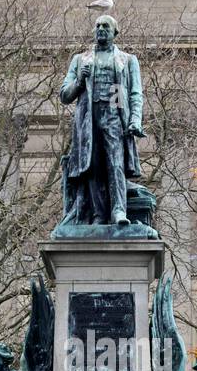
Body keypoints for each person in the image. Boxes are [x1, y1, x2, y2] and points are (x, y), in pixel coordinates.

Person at [58, 13, 145, 226]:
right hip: (88, 118)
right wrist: (79, 81)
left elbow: (135, 93)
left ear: (115, 32)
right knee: (93, 166)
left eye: (105, 26)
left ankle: (118, 211)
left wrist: (135, 119)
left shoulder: (127, 60)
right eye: (97, 26)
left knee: (115, 164)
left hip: (114, 114)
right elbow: (64, 95)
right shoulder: (80, 60)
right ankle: (98, 214)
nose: (100, 29)